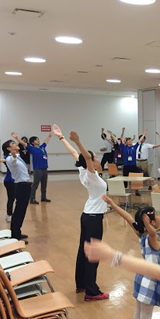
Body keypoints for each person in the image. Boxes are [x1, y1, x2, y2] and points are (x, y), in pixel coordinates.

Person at [53, 124, 109, 301]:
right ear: (90, 161)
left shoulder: (83, 171)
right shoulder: (90, 174)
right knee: (93, 253)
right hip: (93, 218)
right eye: (95, 158)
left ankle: (82, 284)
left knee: (83, 251)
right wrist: (77, 141)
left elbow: (74, 154)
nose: (97, 159)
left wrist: (62, 138)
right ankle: (92, 291)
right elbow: (83, 155)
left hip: (86, 216)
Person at [4, 133, 31, 244]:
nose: (16, 144)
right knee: (19, 211)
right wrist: (14, 156)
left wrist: (16, 155)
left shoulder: (18, 156)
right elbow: (13, 162)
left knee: (21, 211)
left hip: (24, 185)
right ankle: (15, 236)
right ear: (9, 149)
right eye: (13, 144)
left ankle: (17, 232)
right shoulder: (11, 158)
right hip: (21, 186)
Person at [14, 133, 52, 204]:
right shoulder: (32, 148)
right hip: (37, 169)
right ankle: (32, 198)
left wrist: (49, 136)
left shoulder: (42, 147)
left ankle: (43, 197)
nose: (38, 141)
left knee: (44, 184)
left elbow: (46, 141)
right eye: (36, 140)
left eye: (38, 140)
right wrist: (17, 138)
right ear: (33, 142)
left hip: (44, 168)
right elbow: (24, 143)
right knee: (35, 184)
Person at [0, 157, 15, 223]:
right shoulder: (8, 157)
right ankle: (9, 215)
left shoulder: (13, 157)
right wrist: (0, 160)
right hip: (10, 181)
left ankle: (11, 214)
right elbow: (6, 160)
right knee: (11, 198)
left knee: (13, 198)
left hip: (14, 181)